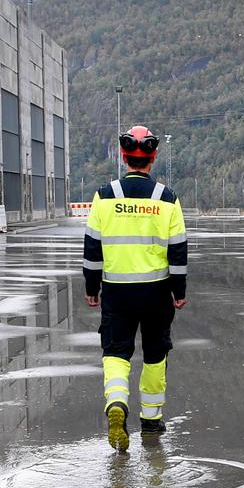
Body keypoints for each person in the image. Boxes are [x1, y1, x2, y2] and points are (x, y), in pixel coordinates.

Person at [81, 126, 188, 451]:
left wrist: (92, 286)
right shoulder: (167, 199)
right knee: (155, 355)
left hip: (116, 291)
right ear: (153, 158)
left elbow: (92, 248)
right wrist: (178, 290)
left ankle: (117, 405)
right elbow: (178, 250)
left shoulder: (104, 196)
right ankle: (151, 421)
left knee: (115, 353)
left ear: (123, 156)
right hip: (156, 293)